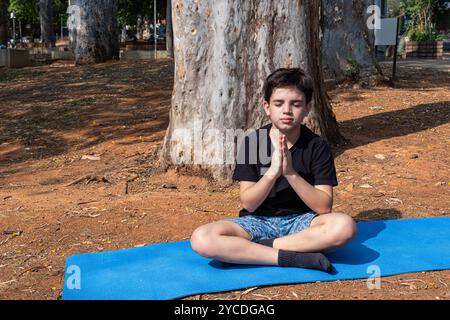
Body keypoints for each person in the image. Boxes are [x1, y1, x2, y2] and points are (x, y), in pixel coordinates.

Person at [190, 68, 357, 273]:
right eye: (279, 104)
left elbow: (324, 207)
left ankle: (254, 251)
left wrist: (290, 173)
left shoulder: (317, 146)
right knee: (202, 238)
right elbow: (249, 204)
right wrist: (272, 172)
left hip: (302, 221)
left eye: (296, 104)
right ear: (267, 107)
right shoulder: (253, 142)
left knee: (344, 226)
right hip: (257, 221)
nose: (287, 110)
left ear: (307, 108)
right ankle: (291, 257)